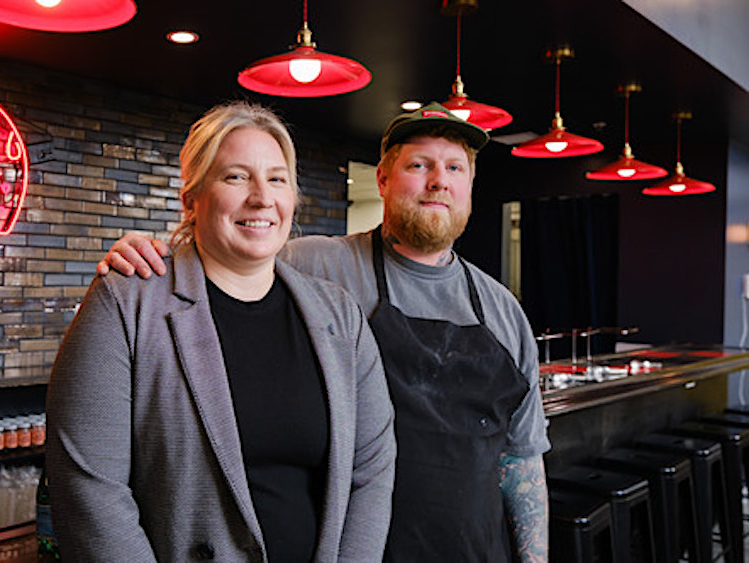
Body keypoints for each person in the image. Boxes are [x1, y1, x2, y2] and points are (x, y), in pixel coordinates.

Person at [97, 102, 551, 562]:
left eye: (455, 167)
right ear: (383, 179)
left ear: (470, 185)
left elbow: (521, 459)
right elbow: (233, 254)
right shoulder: (312, 267)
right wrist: (149, 256)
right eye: (419, 165)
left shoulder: (503, 312)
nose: (439, 180)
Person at [46, 101, 396, 562]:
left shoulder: (339, 315)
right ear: (191, 198)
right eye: (235, 176)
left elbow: (371, 469)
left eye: (276, 178)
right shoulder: (126, 301)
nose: (261, 197)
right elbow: (89, 492)